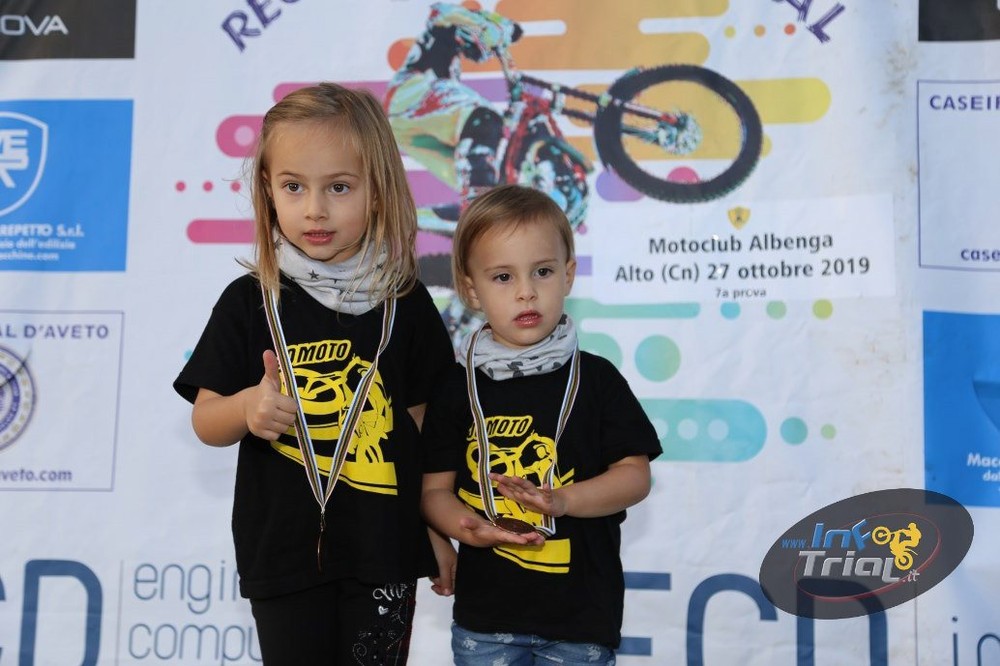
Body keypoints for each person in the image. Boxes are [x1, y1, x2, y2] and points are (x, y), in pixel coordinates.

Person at [173, 82, 457, 665]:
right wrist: (247, 408)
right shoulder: (249, 300)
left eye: (339, 187)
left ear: (378, 191)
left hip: (385, 553)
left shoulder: (407, 302)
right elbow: (206, 420)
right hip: (282, 558)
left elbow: (422, 431)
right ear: (267, 189)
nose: (315, 209)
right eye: (294, 186)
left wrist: (433, 524)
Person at [420, 184, 662, 664]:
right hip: (484, 620)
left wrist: (564, 500)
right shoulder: (456, 387)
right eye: (503, 277)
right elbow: (433, 494)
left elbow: (635, 476)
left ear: (568, 275)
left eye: (543, 271)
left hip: (580, 620)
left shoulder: (596, 379)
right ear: (471, 289)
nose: (526, 291)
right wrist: (467, 528)